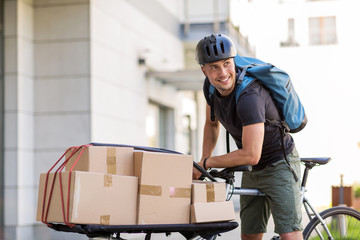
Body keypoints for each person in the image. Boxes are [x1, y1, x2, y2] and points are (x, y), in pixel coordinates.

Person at [193, 33, 303, 240]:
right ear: (204, 70)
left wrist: (206, 162)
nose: (223, 73)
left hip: (280, 164)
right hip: (253, 170)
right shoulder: (210, 88)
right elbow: (211, 123)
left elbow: (251, 154)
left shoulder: (249, 97)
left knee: (290, 235)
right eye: (214, 67)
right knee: (250, 236)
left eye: (227, 64)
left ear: (234, 61)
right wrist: (202, 164)